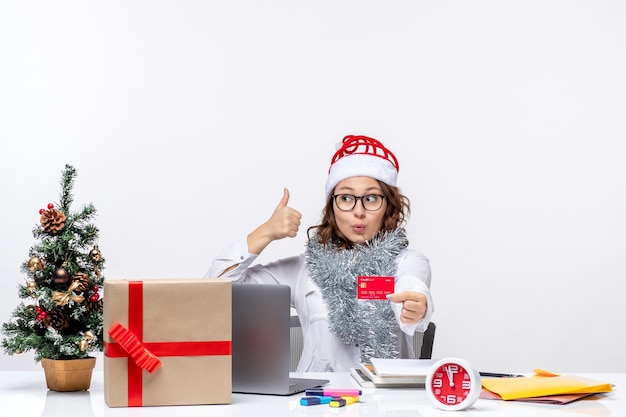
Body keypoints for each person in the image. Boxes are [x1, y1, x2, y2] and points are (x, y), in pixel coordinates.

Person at [207, 135, 433, 372]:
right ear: (332, 207)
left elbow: (413, 285)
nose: (358, 211)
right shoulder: (303, 269)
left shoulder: (408, 262)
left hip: (388, 403)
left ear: (388, 206)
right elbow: (215, 292)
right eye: (346, 198)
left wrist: (415, 306)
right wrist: (265, 233)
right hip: (318, 401)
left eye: (371, 198)